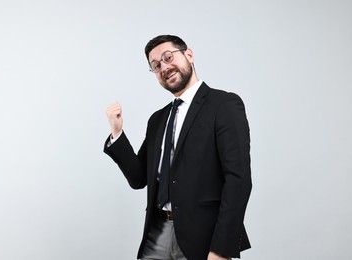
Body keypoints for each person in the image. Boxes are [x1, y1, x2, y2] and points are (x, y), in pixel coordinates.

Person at [104, 35, 252, 260]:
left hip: (204, 237)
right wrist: (117, 133)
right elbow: (138, 178)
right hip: (157, 234)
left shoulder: (224, 105)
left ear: (189, 55)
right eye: (156, 65)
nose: (164, 67)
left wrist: (222, 248)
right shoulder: (157, 119)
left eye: (168, 57)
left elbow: (238, 180)